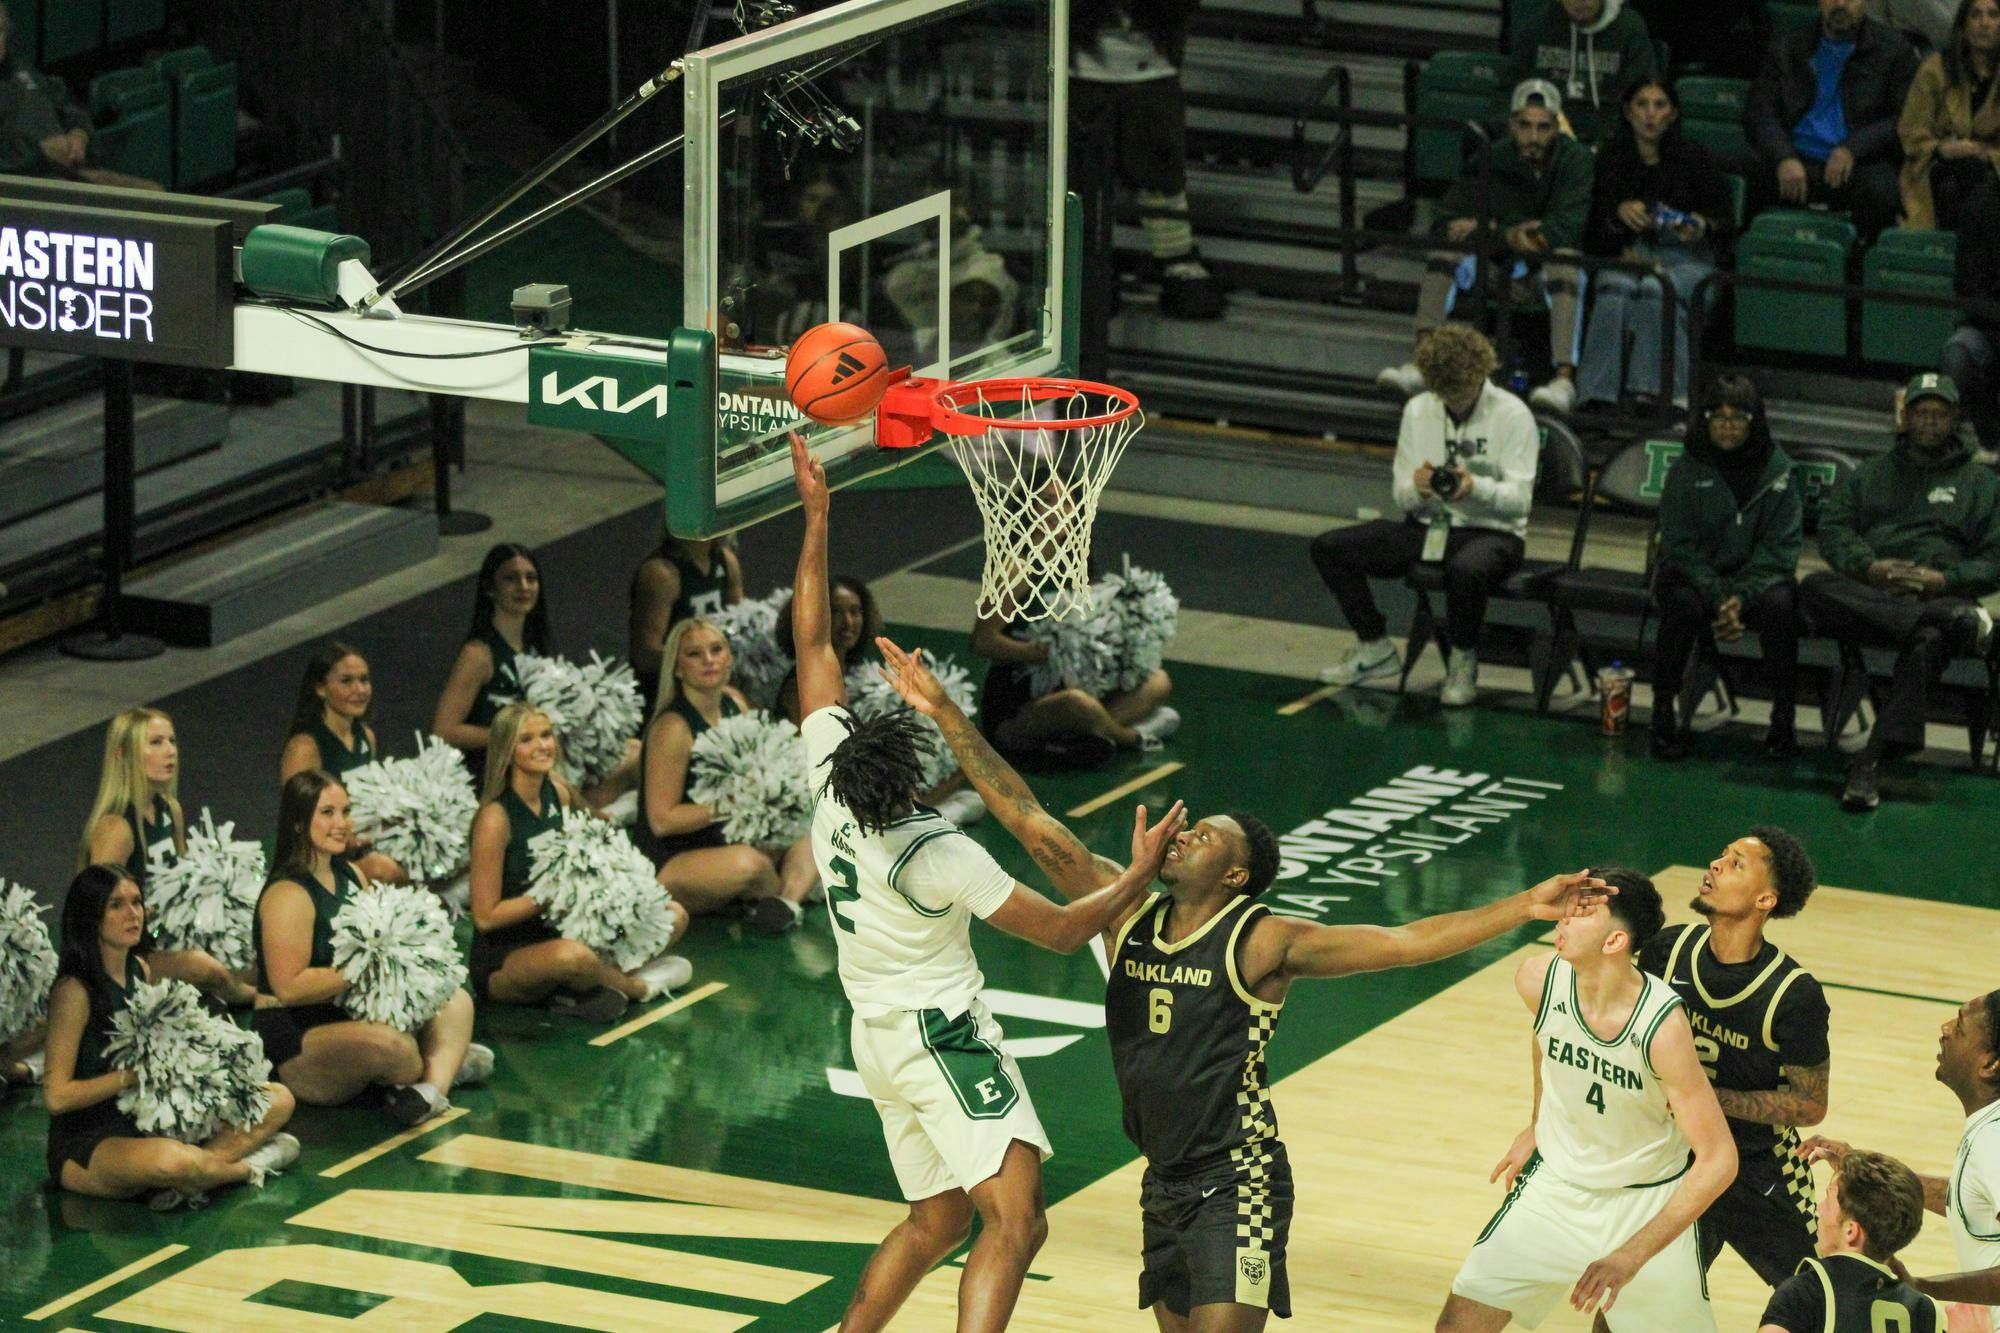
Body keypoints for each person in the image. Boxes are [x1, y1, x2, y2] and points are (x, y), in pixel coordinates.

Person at [876, 637, 1616, 1333]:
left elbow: (1403, 940)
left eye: (1206, 835)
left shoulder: (1263, 937)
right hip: (1162, 1181)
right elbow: (1026, 815)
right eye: (1190, 825)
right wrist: (945, 712)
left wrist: (1520, 905)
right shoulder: (1124, 908)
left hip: (1240, 1180)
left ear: (1234, 875)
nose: (1185, 831)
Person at [787, 433, 1185, 1333]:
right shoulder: (935, 850)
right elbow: (1057, 928)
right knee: (1019, 1217)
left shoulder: (827, 781)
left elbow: (810, 638)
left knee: (939, 1218)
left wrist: (816, 516)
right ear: (911, 773)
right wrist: (1139, 879)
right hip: (939, 1035)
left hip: (875, 1036)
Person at [1438, 871, 1739, 1331]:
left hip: (1643, 1202)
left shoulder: (1662, 1028)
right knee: (1458, 1325)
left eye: (1581, 913)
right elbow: (1546, 1036)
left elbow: (1719, 1159)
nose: (1563, 920)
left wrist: (1631, 1254)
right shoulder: (1537, 978)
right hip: (1553, 1191)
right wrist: (1537, 1123)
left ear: (1615, 940)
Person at [1639, 829, 1830, 1292]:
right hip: (1675, 1159)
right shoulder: (1667, 950)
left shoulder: (1793, 992)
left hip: (1759, 1167)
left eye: (1737, 863)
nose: (1717, 864)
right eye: (1721, 855)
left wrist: (1703, 1098)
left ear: (1766, 898)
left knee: (1823, 1293)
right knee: (1630, 1294)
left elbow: (1810, 1106)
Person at [1800, 372, 2000, 811]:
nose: (1929, 422)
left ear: (1954, 420)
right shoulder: (1871, 472)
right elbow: (1833, 531)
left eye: (1939, 414)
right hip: (1876, 597)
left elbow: (1995, 559)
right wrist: (1869, 568)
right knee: (1813, 586)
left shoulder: (1982, 485)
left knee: (1928, 641)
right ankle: (1941, 621)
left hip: (1939, 595)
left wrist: (1944, 581)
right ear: (1905, 418)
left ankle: (1869, 762)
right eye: (1921, 413)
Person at [43, 865, 297, 1211]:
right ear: (91, 917)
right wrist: (130, 1077)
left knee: (277, 1099)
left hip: (145, 1120)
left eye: (137, 902)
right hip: (90, 1140)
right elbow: (56, 1097)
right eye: (116, 905)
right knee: (173, 1163)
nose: (133, 914)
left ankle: (192, 1178)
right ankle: (246, 1167)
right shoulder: (74, 991)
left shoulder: (140, 970)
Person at [1320, 323, 1540, 709]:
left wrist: (1476, 488)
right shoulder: (1418, 409)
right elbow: (1401, 495)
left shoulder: (1513, 414)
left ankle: (1462, 659)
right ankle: (1374, 646)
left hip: (1492, 533)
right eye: (1444, 393)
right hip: (1428, 525)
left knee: (1466, 569)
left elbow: (1520, 501)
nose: (1453, 401)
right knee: (1329, 548)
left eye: (1461, 391)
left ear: (1480, 374)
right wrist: (1417, 488)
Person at [252, 770, 489, 1126]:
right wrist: (368, 968)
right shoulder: (288, 895)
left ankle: (428, 1092)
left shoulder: (351, 875)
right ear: (299, 823)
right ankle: (434, 1062)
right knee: (395, 1050)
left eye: (345, 811)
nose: (341, 823)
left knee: (455, 1000)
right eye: (327, 813)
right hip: (296, 1036)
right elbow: (290, 988)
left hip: (349, 1013)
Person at [1377, 80, 1594, 414]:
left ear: (1557, 127)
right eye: (1524, 126)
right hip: (1495, 269)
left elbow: (1566, 228)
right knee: (1445, 253)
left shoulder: (1575, 160)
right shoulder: (1491, 157)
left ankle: (1563, 381)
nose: (1533, 137)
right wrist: (1507, 234)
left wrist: (1492, 228)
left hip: (1541, 275)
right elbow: (1446, 223)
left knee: (1566, 260)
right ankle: (1423, 363)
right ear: (1511, 124)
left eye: (1543, 127)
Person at [469, 703, 690, 1021]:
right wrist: (554, 894)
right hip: (507, 957)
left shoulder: (558, 795)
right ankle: (634, 987)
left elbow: (596, 835)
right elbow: (486, 917)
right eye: (526, 739)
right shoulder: (495, 818)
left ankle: (583, 988)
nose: (542, 745)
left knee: (673, 915)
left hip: (564, 931)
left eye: (546, 735)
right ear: (507, 750)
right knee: (573, 957)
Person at [1801, 990, 2000, 1329]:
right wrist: (1870, 1169)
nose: (1946, 1028)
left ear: (1990, 1064)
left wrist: (1924, 1288)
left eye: (1962, 1027)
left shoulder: (1993, 1141)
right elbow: (1970, 1198)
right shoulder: (1989, 1131)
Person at [1650, 374, 1805, 760]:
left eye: (1738, 417)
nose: (1727, 426)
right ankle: (1661, 714)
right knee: (1683, 605)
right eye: (1716, 416)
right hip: (1695, 576)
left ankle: (1783, 720)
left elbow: (1780, 550)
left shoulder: (1779, 471)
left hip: (1754, 581)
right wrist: (1720, 595)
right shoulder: (1688, 468)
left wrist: (1740, 595)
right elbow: (1678, 545)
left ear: (1755, 421)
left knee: (1782, 606)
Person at [635, 618, 819, 933]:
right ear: (677, 668)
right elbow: (662, 820)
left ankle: (784, 903)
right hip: (674, 860)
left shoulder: (734, 702)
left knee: (816, 823)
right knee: (753, 865)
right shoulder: (673, 728)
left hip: (729, 840)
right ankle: (785, 890)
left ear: (729, 657)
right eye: (694, 654)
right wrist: (735, 803)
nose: (708, 660)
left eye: (716, 649)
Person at [1576, 79, 1734, 414]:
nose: (1650, 114)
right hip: (1629, 255)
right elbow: (1593, 230)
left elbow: (1724, 221)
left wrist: (1699, 225)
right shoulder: (1611, 158)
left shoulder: (1695, 156)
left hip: (1688, 260)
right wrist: (1617, 213)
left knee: (1655, 289)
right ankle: (1595, 396)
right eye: (1642, 104)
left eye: (1659, 105)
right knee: (1613, 287)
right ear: (1628, 112)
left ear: (1673, 113)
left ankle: (1658, 396)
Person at [77, 706, 251, 1006]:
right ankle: (265, 1002)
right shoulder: (116, 828)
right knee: (208, 969)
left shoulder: (171, 810)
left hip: (164, 942)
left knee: (250, 956)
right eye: (155, 743)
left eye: (171, 741)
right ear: (123, 754)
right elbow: (95, 914)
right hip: (126, 956)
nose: (170, 751)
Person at [777, 576, 984, 827]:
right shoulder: (800, 684)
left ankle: (918, 816)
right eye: (836, 612)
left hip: (869, 787)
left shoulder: (860, 675)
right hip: (834, 790)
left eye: (856, 611)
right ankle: (919, 819)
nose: (849, 622)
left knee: (969, 772)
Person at [1070, 0, 1223, 320]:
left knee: (1159, 176)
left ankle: (1177, 259)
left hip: (1151, 74)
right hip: (1082, 75)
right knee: (1081, 180)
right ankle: (1086, 263)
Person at [1745, 0, 1920, 243]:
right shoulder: (1789, 45)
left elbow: (1904, 119)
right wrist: (1783, 156)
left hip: (1857, 165)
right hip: (1796, 160)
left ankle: (1861, 270)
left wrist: (1853, 148)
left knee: (1883, 192)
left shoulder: (1894, 50)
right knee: (1732, 172)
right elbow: (1760, 111)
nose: (1840, 3)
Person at [972, 596, 1179, 770]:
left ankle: (1091, 733)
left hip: (1077, 686)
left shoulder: (1079, 562)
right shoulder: (1015, 570)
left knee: (1158, 680)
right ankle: (1130, 737)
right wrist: (1044, 652)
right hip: (1018, 705)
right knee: (1077, 703)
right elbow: (982, 642)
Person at [1758, 1150, 1944, 1333]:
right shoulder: (1925, 1310)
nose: (1819, 1209)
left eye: (1828, 1201)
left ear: (1851, 1232)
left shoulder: (1806, 1292)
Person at [281, 642, 405, 884]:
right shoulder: (304, 747)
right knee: (384, 869)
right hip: (320, 860)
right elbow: (296, 820)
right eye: (346, 681)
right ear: (320, 688)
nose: (359, 690)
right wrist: (346, 837)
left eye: (364, 680)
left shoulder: (366, 737)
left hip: (360, 847)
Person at [0, 8, 162, 189]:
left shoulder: (21, 70)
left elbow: (68, 107)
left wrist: (79, 134)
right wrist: (39, 153)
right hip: (24, 184)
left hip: (68, 171)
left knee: (153, 192)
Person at [433, 543, 552, 778]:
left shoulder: (536, 645)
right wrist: (510, 736)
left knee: (632, 751)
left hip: (534, 759)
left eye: (531, 578)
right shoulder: (478, 654)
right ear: (490, 588)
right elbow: (443, 731)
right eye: (511, 579)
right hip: (494, 770)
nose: (524, 587)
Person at [1898, 0, 2000, 230]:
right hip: (1938, 165)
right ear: (1963, 26)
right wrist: (1942, 148)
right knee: (1958, 180)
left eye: (1993, 15)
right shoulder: (1935, 69)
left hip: (1992, 169)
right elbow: (1911, 129)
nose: (1984, 23)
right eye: (1976, 15)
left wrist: (1985, 154)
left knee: (1979, 181)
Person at [1505, 0, 1660, 145]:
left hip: (1610, 140)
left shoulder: (1629, 28)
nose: (1580, 1)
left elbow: (1641, 94)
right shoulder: (1537, 23)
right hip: (1545, 138)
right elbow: (1510, 90)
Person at [628, 530, 742, 709]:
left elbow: (741, 626)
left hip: (714, 686)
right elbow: (645, 654)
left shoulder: (726, 561)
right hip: (670, 697)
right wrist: (694, 662)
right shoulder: (661, 573)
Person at [1945, 173, 2000, 453]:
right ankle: (1956, 451)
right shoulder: (1980, 204)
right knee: (1958, 353)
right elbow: (1968, 286)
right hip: (1986, 325)